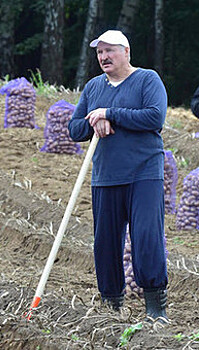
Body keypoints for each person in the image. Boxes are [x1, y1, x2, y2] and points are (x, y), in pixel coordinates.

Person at [68, 30, 169, 324]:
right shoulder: (93, 87)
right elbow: (75, 129)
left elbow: (154, 117)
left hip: (144, 172)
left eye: (109, 50)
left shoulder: (147, 80)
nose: (103, 57)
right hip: (105, 176)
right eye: (99, 52)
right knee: (105, 242)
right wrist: (94, 119)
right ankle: (111, 304)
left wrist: (110, 113)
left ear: (126, 51)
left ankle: (156, 306)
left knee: (146, 237)